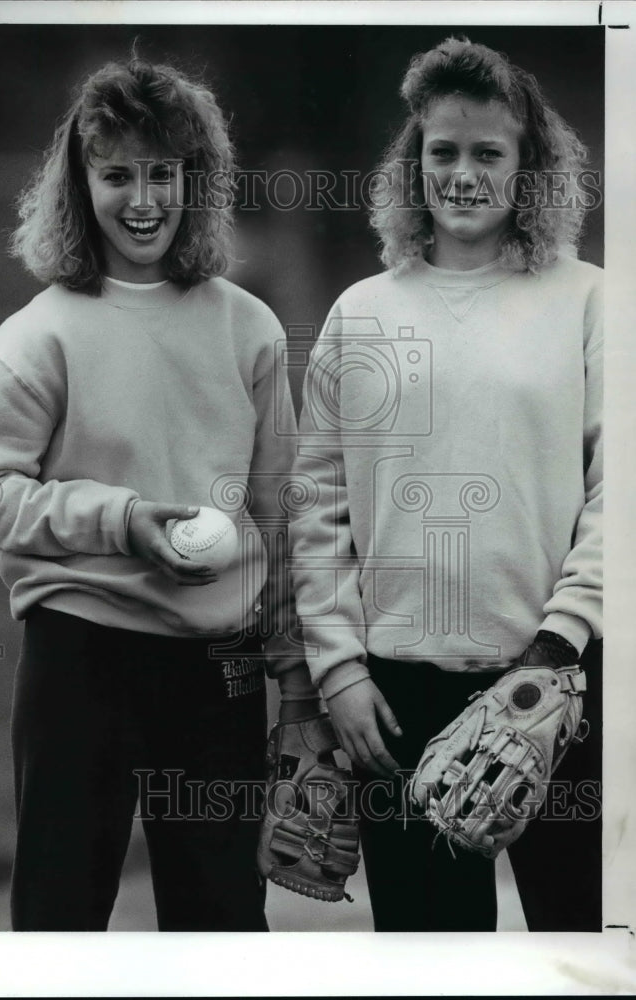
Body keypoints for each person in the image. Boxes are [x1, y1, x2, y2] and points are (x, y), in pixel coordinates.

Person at [0, 56, 316, 932]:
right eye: (117, 174)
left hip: (219, 674)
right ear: (78, 182)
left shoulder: (248, 327)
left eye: (162, 173)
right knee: (59, 923)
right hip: (78, 660)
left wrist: (294, 679)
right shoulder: (36, 336)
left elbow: (280, 509)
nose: (142, 200)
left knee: (222, 929)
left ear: (192, 181)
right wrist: (124, 520)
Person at [288, 37, 602, 931]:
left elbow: (618, 492)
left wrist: (558, 645)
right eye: (442, 151)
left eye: (487, 153)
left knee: (577, 947)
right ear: (412, 162)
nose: (462, 175)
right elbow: (316, 503)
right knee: (429, 962)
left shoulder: (588, 300)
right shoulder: (363, 310)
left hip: (555, 681)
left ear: (527, 168)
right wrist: (339, 667)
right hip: (397, 694)